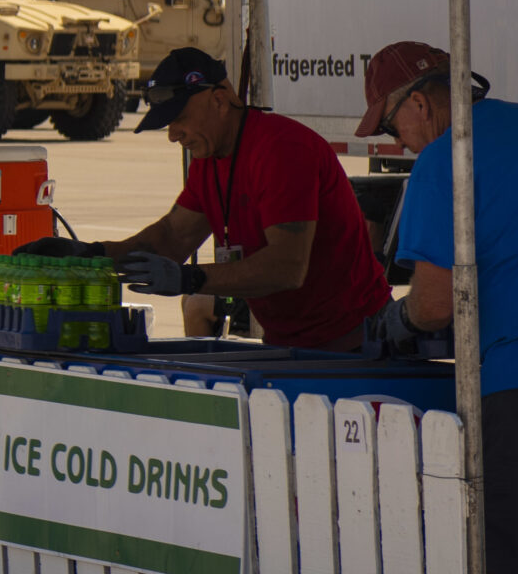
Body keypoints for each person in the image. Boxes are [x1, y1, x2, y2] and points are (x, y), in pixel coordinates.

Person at [360, 41, 518, 574]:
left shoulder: (444, 157)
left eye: (390, 125)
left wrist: (397, 318)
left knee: (506, 561)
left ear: (421, 104)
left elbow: (435, 301)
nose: (394, 141)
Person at [97, 47, 388, 348]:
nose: (173, 135)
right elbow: (172, 237)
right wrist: (93, 255)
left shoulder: (281, 150)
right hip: (289, 344)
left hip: (353, 343)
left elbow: (286, 267)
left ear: (219, 101)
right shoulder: (208, 159)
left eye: (179, 118)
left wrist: (190, 279)